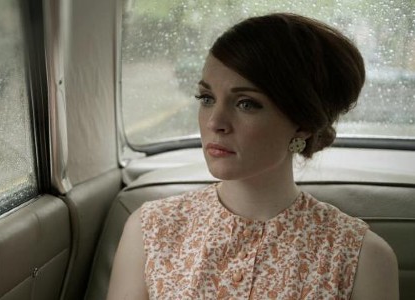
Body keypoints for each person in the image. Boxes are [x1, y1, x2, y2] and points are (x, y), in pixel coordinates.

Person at [107, 13, 399, 300]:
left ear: (303, 123)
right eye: (207, 99)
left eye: (246, 103)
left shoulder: (361, 257)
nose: (214, 122)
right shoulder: (151, 230)